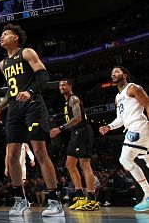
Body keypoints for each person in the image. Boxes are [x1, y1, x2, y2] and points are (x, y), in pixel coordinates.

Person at [0, 23, 63, 217]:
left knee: (39, 151)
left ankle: (55, 201)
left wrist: (30, 92)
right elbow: (11, 89)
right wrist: (0, 106)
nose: (2, 36)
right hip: (14, 108)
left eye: (6, 34)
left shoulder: (27, 52)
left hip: (33, 105)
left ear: (16, 37)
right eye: (1, 34)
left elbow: (43, 75)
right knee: (12, 155)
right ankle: (19, 200)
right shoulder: (3, 63)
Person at [99, 66, 149, 212]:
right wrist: (108, 126)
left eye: (117, 71)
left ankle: (147, 193)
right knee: (147, 160)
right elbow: (121, 119)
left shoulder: (133, 88)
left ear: (125, 75)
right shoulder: (117, 97)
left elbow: (147, 104)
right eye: (112, 72)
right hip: (133, 127)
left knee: (125, 159)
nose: (113, 74)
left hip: (138, 126)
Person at [49, 79, 99, 211]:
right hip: (75, 133)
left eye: (64, 85)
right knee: (69, 164)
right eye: (59, 85)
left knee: (84, 164)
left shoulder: (73, 99)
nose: (61, 87)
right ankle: (80, 197)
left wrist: (60, 128)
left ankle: (92, 199)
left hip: (83, 131)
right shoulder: (67, 101)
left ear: (70, 86)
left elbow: (78, 118)